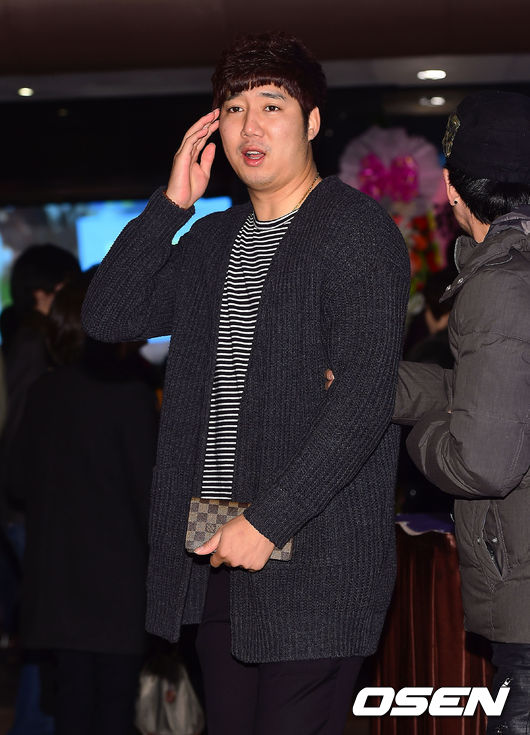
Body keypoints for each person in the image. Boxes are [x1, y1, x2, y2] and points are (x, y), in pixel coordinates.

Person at [82, 32, 410, 735]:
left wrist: (267, 521)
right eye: (233, 109)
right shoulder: (212, 239)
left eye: (271, 106)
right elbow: (108, 315)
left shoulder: (354, 231)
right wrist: (172, 205)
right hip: (217, 548)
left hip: (314, 554)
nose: (249, 127)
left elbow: (362, 401)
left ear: (312, 122)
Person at [394, 91, 530, 734]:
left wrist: (418, 435)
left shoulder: (500, 283)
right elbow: (497, 394)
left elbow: (482, 464)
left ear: (452, 186)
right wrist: (377, 386)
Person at [9, 270, 159, 735]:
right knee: (113, 710)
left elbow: (16, 481)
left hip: (57, 584)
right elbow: (149, 500)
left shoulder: (44, 391)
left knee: (71, 708)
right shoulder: (131, 395)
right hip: (118, 589)